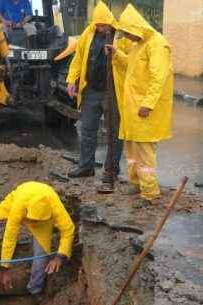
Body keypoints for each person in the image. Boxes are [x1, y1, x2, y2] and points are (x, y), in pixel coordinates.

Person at [105, 4, 174, 206]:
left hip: (145, 110)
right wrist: (117, 54)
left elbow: (158, 77)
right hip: (133, 109)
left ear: (136, 28)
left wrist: (148, 104)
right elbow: (131, 67)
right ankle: (136, 183)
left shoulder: (157, 44)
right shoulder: (139, 46)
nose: (127, 37)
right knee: (132, 151)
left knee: (144, 154)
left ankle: (150, 193)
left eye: (128, 33)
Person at [64, 1, 123, 194]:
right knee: (88, 129)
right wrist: (71, 80)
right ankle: (86, 166)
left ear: (110, 22)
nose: (100, 28)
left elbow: (129, 60)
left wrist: (116, 53)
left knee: (114, 132)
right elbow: (78, 58)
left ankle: (111, 171)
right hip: (91, 90)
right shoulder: (87, 34)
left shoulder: (119, 35)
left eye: (103, 25)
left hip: (112, 90)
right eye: (97, 25)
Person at [0, 181, 75, 300]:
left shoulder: (55, 206)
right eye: (32, 221)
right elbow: (10, 237)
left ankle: (35, 290)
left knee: (41, 255)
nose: (31, 225)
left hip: (44, 223)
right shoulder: (19, 205)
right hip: (18, 199)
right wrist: (5, 268)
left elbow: (68, 229)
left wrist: (59, 257)